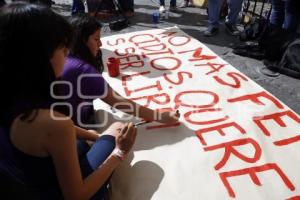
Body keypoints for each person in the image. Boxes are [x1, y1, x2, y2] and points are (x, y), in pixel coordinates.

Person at [0, 2, 136, 200]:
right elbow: (76, 196)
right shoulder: (52, 122)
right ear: (41, 57)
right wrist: (119, 153)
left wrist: (89, 134)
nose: (66, 58)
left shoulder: (12, 93)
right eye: (63, 51)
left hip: (28, 178)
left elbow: (58, 133)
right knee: (115, 130)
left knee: (85, 141)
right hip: (55, 191)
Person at [61, 14, 180, 129]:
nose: (101, 44)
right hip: (71, 131)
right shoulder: (83, 70)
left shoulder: (63, 57)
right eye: (96, 39)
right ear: (82, 41)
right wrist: (160, 116)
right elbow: (117, 100)